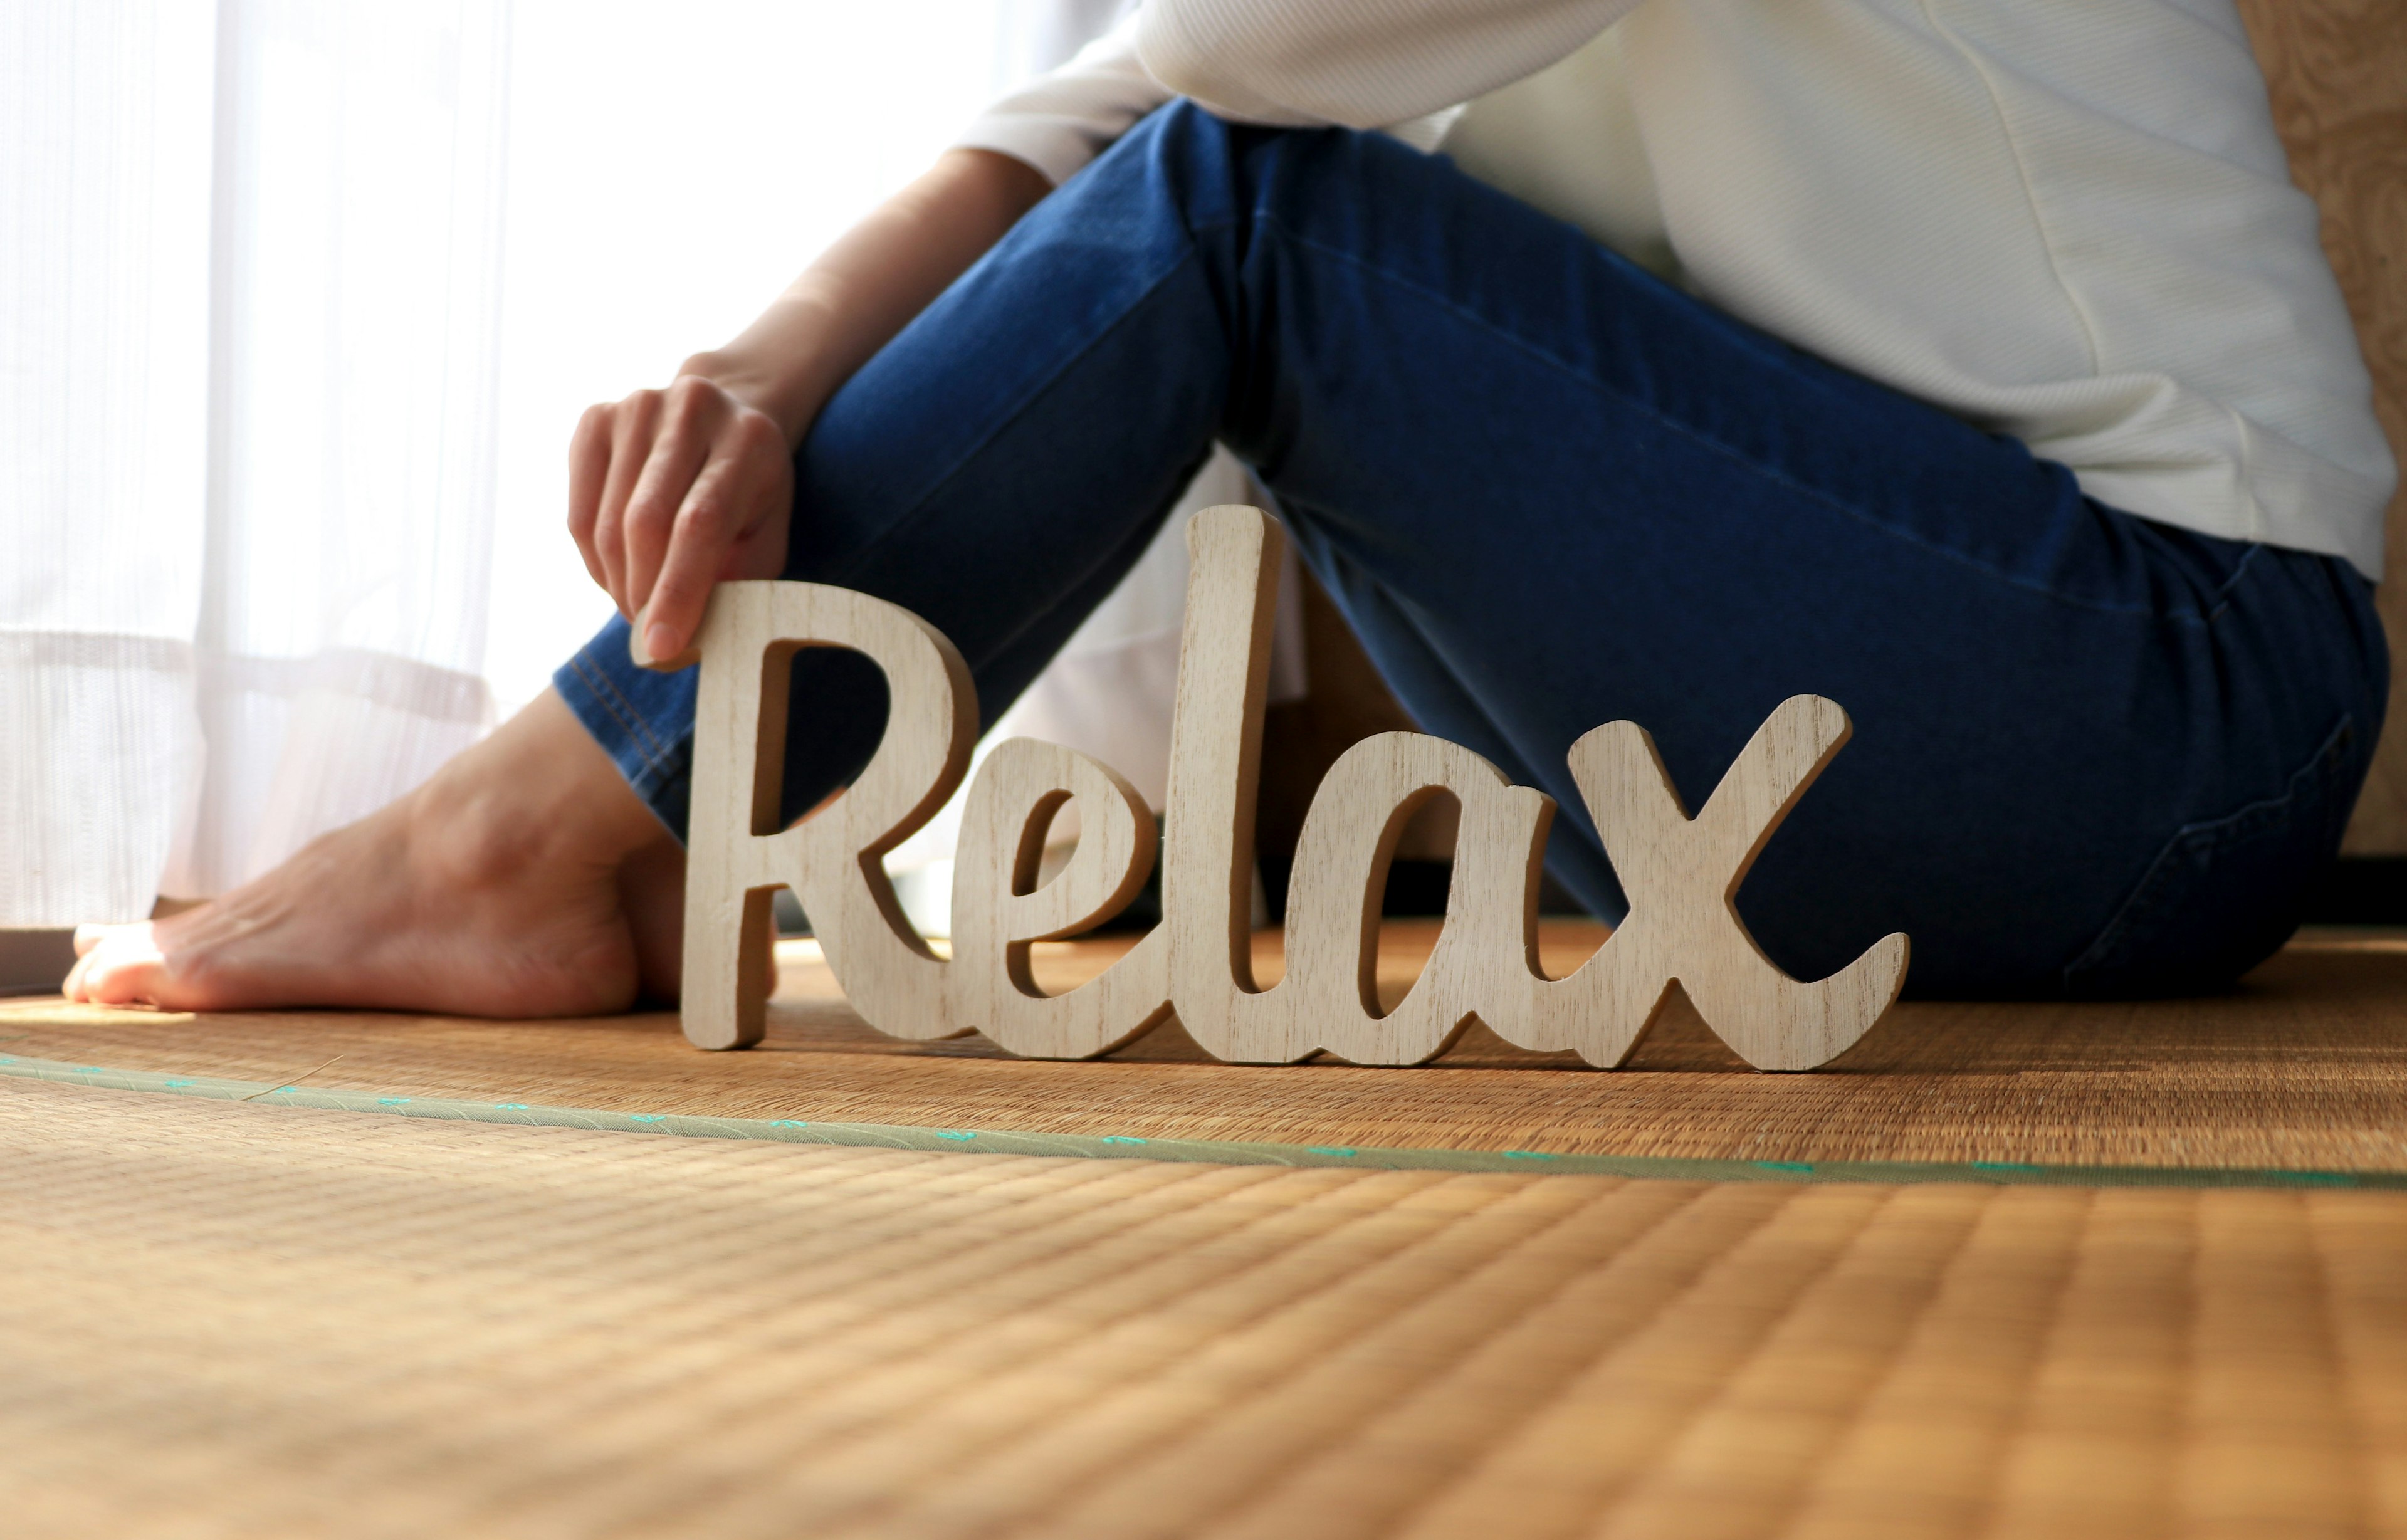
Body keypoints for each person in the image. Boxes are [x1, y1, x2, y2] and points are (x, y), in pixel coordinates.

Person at [65, 0, 2396, 1015]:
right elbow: (1105, 111)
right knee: (1245, 235)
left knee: (1269, 228)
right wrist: (763, 358)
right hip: (1849, 778)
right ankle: (642, 826)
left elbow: (1217, 101)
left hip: (2167, 702)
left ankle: (540, 837)